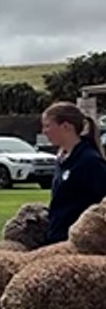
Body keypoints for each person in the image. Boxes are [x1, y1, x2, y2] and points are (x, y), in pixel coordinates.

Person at [42, 102, 106, 245]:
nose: (44, 131)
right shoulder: (62, 159)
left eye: (47, 126)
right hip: (57, 240)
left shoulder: (89, 161)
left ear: (66, 127)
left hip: (80, 245)